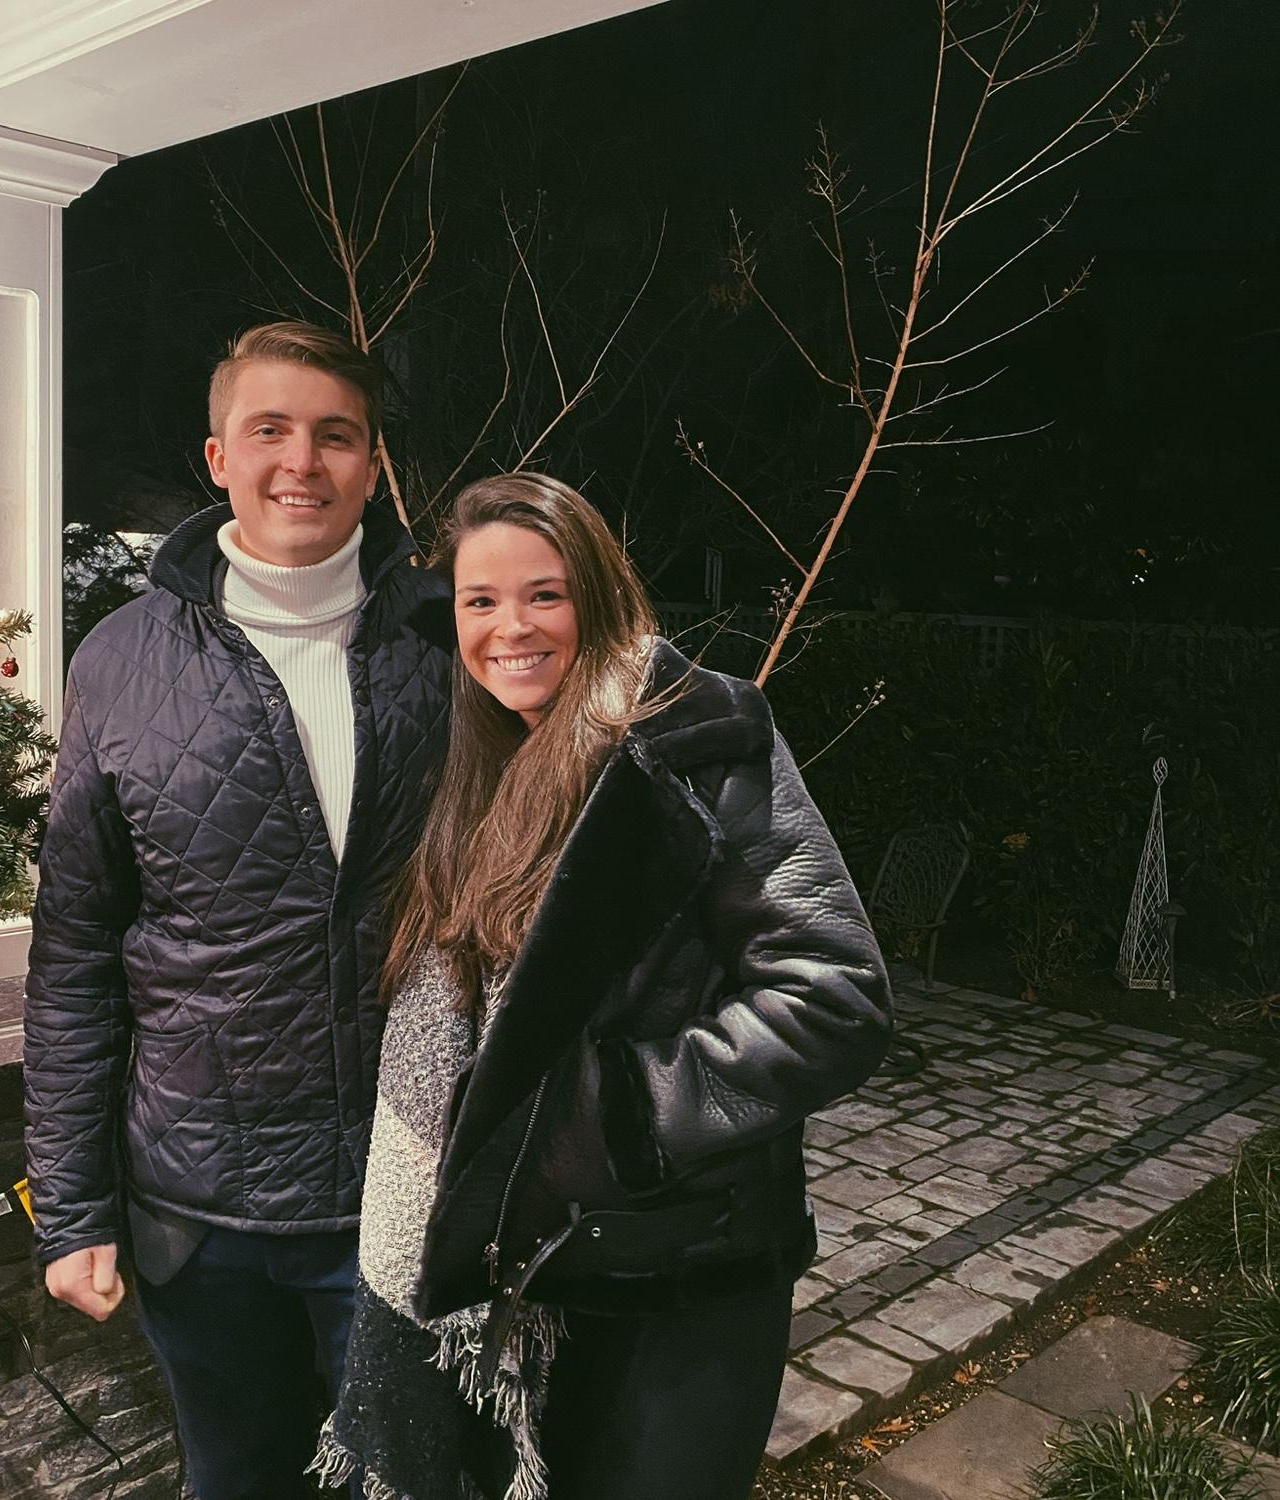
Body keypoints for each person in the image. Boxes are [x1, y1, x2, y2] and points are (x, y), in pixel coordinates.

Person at [312, 472, 893, 1500]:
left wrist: (608, 1115)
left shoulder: (692, 742)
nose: (510, 628)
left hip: (679, 1282)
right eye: (481, 601)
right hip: (547, 1275)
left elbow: (834, 997)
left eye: (545, 594)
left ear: (600, 593)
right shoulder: (488, 760)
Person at [23, 321, 452, 1500]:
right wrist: (72, 1211)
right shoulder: (119, 661)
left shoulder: (451, 641)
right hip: (198, 1219)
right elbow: (75, 954)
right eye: (270, 430)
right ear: (219, 457)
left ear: (372, 464)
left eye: (335, 435)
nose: (301, 462)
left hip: (403, 1193)